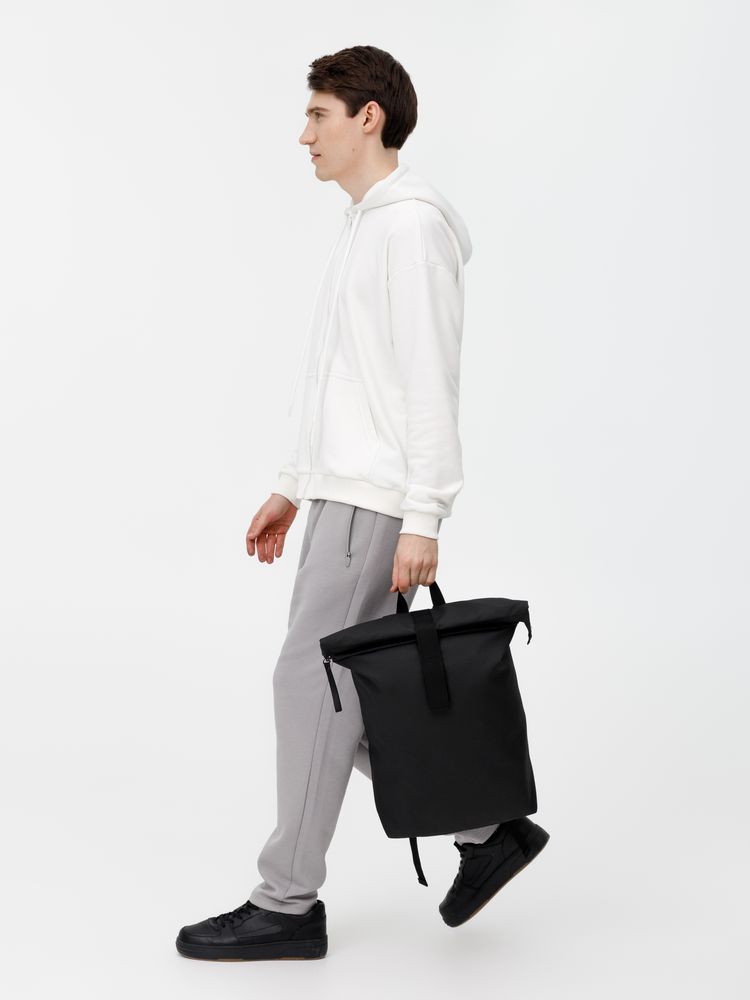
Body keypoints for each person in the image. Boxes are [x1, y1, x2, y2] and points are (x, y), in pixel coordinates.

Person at [176, 44, 548, 963]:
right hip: (341, 496)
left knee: (308, 684)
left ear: (368, 117)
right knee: (350, 694)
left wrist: (423, 515)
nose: (303, 134)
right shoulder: (366, 225)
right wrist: (292, 483)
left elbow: (429, 382)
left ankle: (286, 900)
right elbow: (340, 379)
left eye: (318, 115)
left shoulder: (409, 229)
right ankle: (487, 830)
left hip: (374, 505)